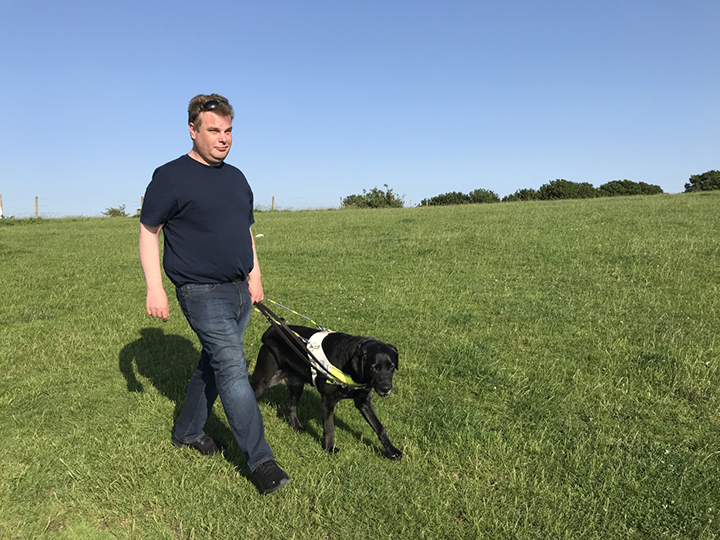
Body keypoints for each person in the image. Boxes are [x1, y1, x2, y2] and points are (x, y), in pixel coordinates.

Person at [138, 93, 290, 494]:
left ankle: (187, 431)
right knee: (233, 370)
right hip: (200, 291)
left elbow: (245, 231)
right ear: (193, 130)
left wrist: (255, 276)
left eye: (228, 131)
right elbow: (148, 230)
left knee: (213, 365)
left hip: (240, 290)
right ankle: (261, 461)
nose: (223, 139)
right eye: (213, 130)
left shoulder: (237, 178)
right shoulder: (170, 177)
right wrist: (155, 288)